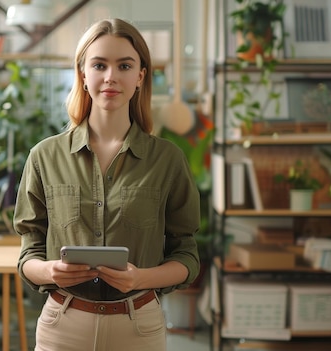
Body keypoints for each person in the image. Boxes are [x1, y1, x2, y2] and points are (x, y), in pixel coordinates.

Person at [13, 18, 201, 351]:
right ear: (83, 74)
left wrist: (140, 278)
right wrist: (51, 271)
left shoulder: (167, 159)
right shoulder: (45, 156)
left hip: (138, 328)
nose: (111, 77)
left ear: (140, 76)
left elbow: (186, 256)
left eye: (124, 65)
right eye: (99, 64)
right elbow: (29, 252)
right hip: (62, 328)